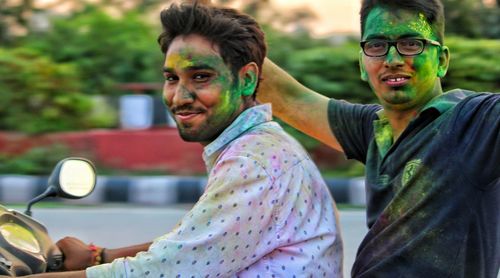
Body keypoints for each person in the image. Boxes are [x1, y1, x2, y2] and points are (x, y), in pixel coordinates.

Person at [16, 2, 343, 277]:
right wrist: (100, 256)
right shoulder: (256, 146)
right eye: (172, 78)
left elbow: (166, 270)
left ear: (246, 80)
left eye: (201, 77)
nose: (180, 96)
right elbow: (196, 244)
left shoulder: (253, 163)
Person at [257, 0, 499, 277]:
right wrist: (202, 14)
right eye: (376, 46)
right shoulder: (370, 128)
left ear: (442, 60)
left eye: (411, 44)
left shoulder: (476, 122)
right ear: (362, 64)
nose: (393, 60)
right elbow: (287, 98)